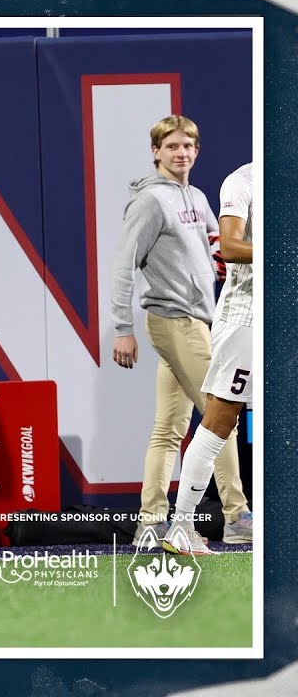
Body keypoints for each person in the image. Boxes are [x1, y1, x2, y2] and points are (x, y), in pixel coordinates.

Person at [110, 116, 252, 546]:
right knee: (219, 414)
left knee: (169, 427)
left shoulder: (199, 196)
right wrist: (122, 327)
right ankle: (236, 514)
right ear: (155, 152)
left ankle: (150, 521)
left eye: (188, 146)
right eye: (171, 146)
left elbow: (220, 243)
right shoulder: (150, 202)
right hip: (174, 318)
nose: (181, 153)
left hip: (201, 316)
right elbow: (122, 265)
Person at [163, 162, 255, 556]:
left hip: (286, 316)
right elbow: (230, 247)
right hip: (247, 319)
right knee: (221, 417)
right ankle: (181, 524)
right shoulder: (243, 182)